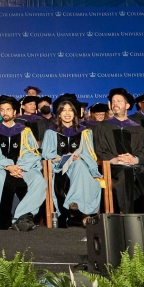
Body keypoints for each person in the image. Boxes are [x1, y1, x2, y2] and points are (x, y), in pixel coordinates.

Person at [93, 88, 144, 213]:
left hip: (136, 164)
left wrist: (135, 159)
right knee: (126, 173)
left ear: (127, 105)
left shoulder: (137, 128)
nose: (115, 104)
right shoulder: (102, 126)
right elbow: (100, 149)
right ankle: (127, 214)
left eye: (119, 101)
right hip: (114, 167)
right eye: (113, 101)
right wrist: (116, 159)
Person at [0, 95, 46, 231]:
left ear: (15, 112)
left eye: (8, 109)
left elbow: (32, 153)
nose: (5, 113)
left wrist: (19, 167)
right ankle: (1, 222)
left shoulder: (25, 131)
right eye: (2, 110)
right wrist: (9, 166)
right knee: (0, 178)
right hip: (2, 167)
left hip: (23, 167)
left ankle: (20, 215)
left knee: (38, 180)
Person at [41, 94, 101, 227]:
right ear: (59, 114)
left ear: (75, 113)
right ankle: (86, 214)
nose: (67, 113)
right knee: (79, 166)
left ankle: (76, 202)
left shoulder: (85, 132)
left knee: (80, 163)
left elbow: (89, 154)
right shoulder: (51, 132)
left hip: (80, 167)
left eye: (70, 110)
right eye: (64, 110)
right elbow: (46, 154)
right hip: (60, 167)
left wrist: (80, 157)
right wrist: (64, 158)